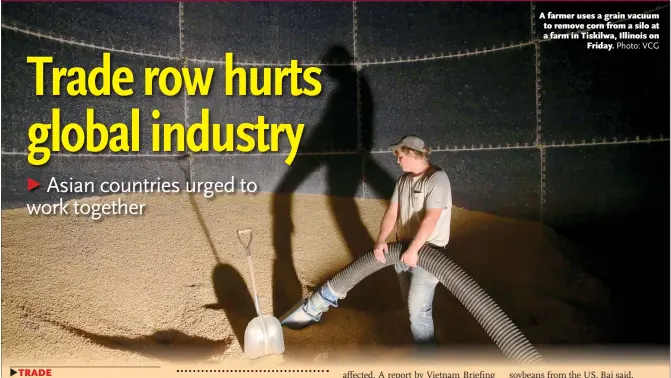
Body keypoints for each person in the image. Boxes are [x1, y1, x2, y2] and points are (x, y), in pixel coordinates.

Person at [373, 135, 453, 346]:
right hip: (402, 250)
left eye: (399, 156)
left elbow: (431, 218)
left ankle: (428, 361)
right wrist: (381, 239)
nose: (397, 161)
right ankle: (425, 342)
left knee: (417, 310)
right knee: (411, 304)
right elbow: (392, 212)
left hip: (427, 252)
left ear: (411, 153)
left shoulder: (437, 179)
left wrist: (414, 249)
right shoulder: (403, 181)